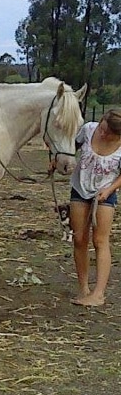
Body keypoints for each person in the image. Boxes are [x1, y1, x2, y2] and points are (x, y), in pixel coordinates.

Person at [68, 109, 121, 307]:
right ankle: (83, 288)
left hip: (104, 193)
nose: (102, 134)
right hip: (80, 189)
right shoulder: (88, 130)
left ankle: (99, 293)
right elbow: (70, 147)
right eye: (102, 127)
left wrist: (109, 190)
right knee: (79, 238)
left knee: (100, 240)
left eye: (107, 133)